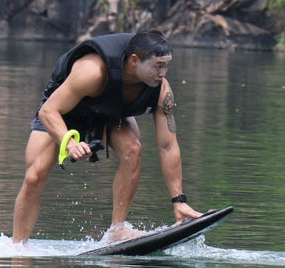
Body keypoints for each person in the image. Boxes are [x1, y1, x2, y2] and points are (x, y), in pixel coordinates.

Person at [12, 30, 202, 245]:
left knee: (133, 148)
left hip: (111, 110)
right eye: (158, 66)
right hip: (63, 111)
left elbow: (168, 146)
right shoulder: (92, 71)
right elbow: (48, 112)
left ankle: (117, 230)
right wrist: (70, 143)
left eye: (166, 66)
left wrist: (179, 200)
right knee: (34, 177)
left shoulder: (162, 91)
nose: (163, 73)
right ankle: (19, 248)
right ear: (134, 61)